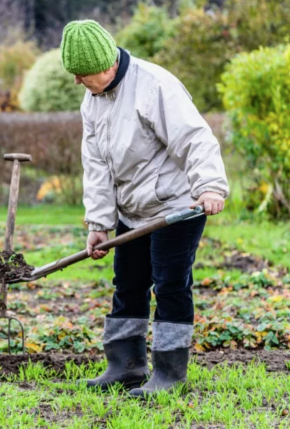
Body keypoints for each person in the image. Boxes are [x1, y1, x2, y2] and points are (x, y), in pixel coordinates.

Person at [59, 20, 229, 397]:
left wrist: (210, 186)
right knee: (129, 283)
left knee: (169, 285)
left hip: (177, 205)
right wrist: (100, 223)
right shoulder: (94, 101)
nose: (78, 83)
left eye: (83, 75)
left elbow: (194, 137)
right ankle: (125, 366)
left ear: (106, 65)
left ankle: (169, 373)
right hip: (134, 210)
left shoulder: (154, 86)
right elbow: (97, 165)